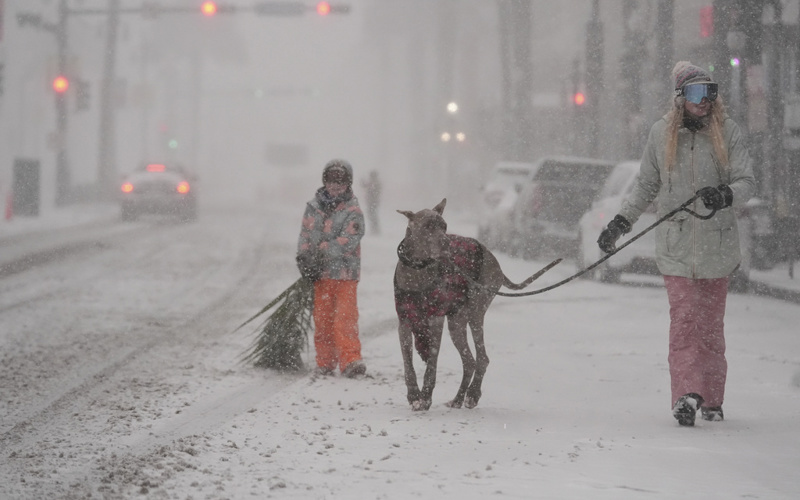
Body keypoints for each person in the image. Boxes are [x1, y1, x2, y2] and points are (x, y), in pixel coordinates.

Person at [597, 61, 756, 426]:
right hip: (676, 246)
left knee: (710, 326)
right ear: (681, 97)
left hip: (717, 247)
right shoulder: (661, 134)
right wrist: (619, 223)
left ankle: (712, 398)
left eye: (711, 92)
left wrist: (724, 194)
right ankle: (686, 394)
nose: (705, 101)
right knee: (684, 321)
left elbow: (747, 181)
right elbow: (646, 187)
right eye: (698, 93)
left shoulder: (727, 132)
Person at [296, 159, 367, 378]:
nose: (335, 185)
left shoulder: (353, 210)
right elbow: (305, 235)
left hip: (345, 275)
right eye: (331, 180)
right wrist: (305, 258)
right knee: (323, 319)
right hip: (321, 276)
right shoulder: (313, 208)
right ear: (324, 181)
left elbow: (349, 240)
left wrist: (322, 253)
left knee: (345, 319)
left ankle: (350, 360)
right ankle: (325, 361)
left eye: (341, 181)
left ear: (348, 183)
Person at [361, 170, 382, 235]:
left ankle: (375, 229)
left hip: (372, 202)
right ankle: (374, 229)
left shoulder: (375, 183)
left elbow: (366, 186)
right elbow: (364, 185)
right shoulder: (374, 183)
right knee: (372, 215)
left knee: (372, 215)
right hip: (372, 202)